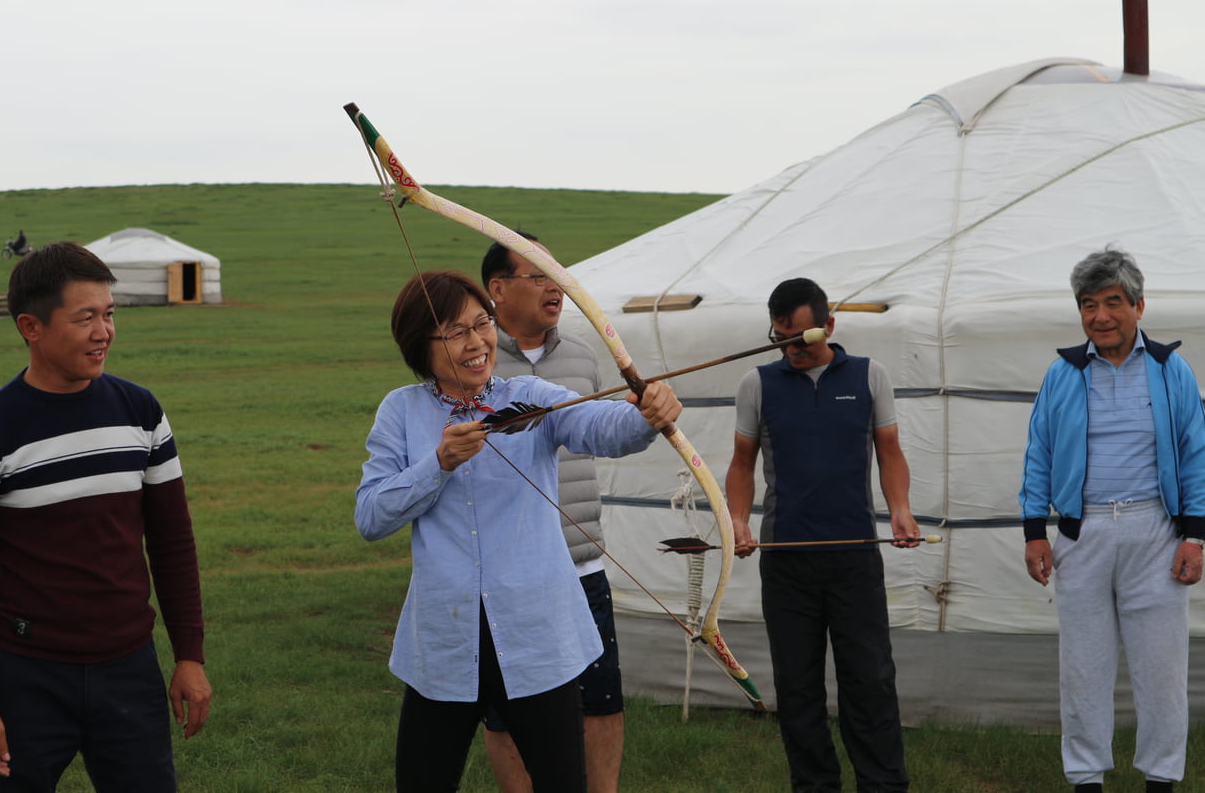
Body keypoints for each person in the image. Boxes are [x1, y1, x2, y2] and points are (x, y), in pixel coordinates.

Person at [356, 270, 681, 793]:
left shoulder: (528, 394)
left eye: (482, 323)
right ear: (421, 343)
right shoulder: (401, 411)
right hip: (444, 638)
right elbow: (371, 516)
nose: (477, 342)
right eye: (455, 331)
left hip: (536, 636)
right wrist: (437, 464)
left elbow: (596, 425)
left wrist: (645, 416)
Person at [0, 242, 212, 790]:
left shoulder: (141, 413)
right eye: (85, 318)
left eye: (108, 314)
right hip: (23, 677)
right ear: (30, 327)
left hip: (129, 667)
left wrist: (189, 656)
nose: (103, 331)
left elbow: (173, 542)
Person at [1019, 247, 1204, 793]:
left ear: (1139, 306)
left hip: (1155, 532)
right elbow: (1039, 452)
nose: (1100, 316)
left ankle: (1162, 781)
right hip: (1084, 532)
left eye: (1113, 303)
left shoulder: (1171, 370)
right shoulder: (1063, 373)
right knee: (1083, 670)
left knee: (1163, 672)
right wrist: (1034, 531)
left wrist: (1196, 535)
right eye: (1088, 304)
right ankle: (1085, 780)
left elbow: (1195, 454)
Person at [725, 277, 916, 793]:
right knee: (798, 687)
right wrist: (738, 522)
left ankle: (882, 785)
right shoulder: (757, 384)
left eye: (798, 337)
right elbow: (742, 465)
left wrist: (900, 509)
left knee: (870, 680)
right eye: (779, 337)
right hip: (787, 560)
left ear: (827, 327)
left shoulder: (869, 375)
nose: (789, 348)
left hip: (854, 555)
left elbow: (890, 452)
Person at [479, 234, 623, 793]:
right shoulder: (475, 361)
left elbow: (607, 430)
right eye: (536, 274)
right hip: (508, 572)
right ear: (497, 289)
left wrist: (642, 414)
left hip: (581, 562)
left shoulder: (585, 359)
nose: (554, 285)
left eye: (556, 273)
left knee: (601, 699)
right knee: (507, 709)